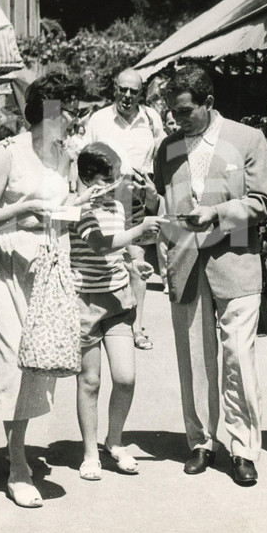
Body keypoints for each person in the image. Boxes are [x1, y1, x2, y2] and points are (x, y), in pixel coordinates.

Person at [0, 72, 97, 508]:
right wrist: (23, 208)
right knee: (12, 362)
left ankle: (16, 449)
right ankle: (19, 466)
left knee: (37, 362)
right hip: (3, 268)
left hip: (45, 268)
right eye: (67, 111)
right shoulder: (5, 155)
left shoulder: (64, 156)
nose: (73, 119)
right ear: (45, 112)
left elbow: (61, 210)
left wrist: (88, 199)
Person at [145, 64, 267, 486]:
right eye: (171, 112)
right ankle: (201, 442)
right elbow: (164, 204)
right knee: (195, 362)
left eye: (184, 112)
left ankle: (243, 448)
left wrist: (217, 213)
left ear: (209, 104)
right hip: (186, 265)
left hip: (236, 262)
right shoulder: (165, 150)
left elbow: (261, 203)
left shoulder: (248, 139)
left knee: (238, 358)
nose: (175, 120)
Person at [70, 143, 165, 481]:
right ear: (87, 178)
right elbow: (97, 242)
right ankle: (90, 453)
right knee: (91, 381)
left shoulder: (117, 206)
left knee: (125, 377)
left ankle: (114, 441)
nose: (115, 184)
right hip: (85, 302)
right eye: (108, 179)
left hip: (118, 299)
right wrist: (138, 233)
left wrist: (135, 263)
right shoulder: (76, 210)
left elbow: (118, 249)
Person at [84, 68, 165, 351]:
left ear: (141, 93)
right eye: (123, 89)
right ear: (114, 89)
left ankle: (136, 327)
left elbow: (162, 153)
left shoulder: (151, 119)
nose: (128, 96)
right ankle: (102, 320)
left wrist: (155, 190)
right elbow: (83, 159)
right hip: (105, 193)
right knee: (107, 256)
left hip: (137, 192)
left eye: (134, 91)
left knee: (137, 261)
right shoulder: (99, 119)